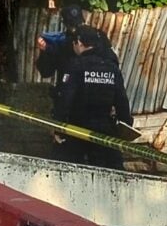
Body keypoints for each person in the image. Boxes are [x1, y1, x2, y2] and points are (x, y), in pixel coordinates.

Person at [52, 24, 133, 170]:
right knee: (114, 173)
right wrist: (126, 126)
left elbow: (65, 100)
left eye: (74, 43)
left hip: (77, 129)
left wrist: (58, 128)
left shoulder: (75, 66)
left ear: (80, 43)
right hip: (105, 130)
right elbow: (122, 100)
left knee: (67, 171)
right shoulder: (111, 67)